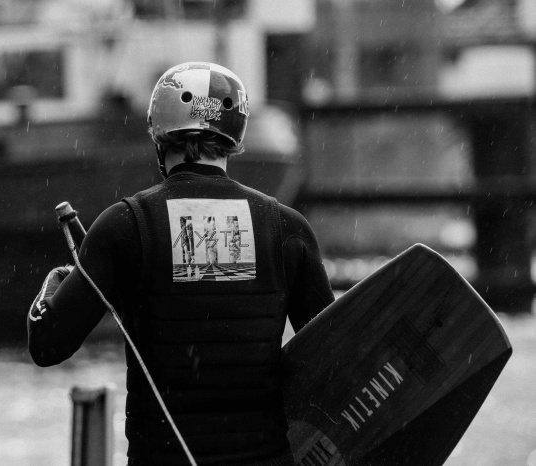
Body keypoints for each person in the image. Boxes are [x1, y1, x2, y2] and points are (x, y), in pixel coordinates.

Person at [28, 62, 334, 466]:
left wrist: (62, 279)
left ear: (160, 136)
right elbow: (330, 363)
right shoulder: (288, 229)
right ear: (234, 136)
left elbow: (47, 344)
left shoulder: (123, 226)